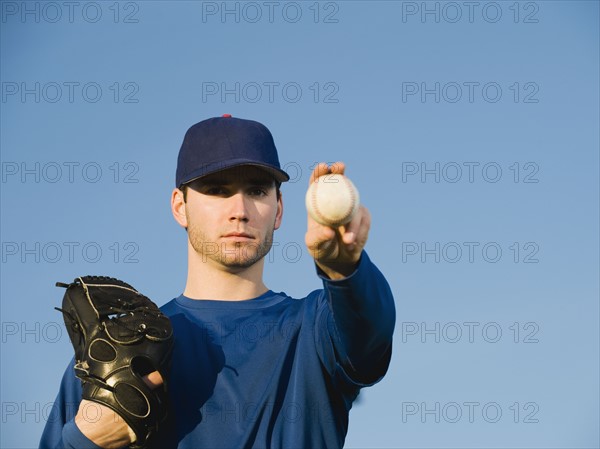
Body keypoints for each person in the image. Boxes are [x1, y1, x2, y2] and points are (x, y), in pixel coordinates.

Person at [39, 115, 396, 448]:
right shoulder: (117, 352)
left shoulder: (316, 329)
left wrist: (344, 270)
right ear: (180, 206)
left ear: (279, 209)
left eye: (257, 191)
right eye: (217, 190)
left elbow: (370, 335)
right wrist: (84, 440)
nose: (239, 209)